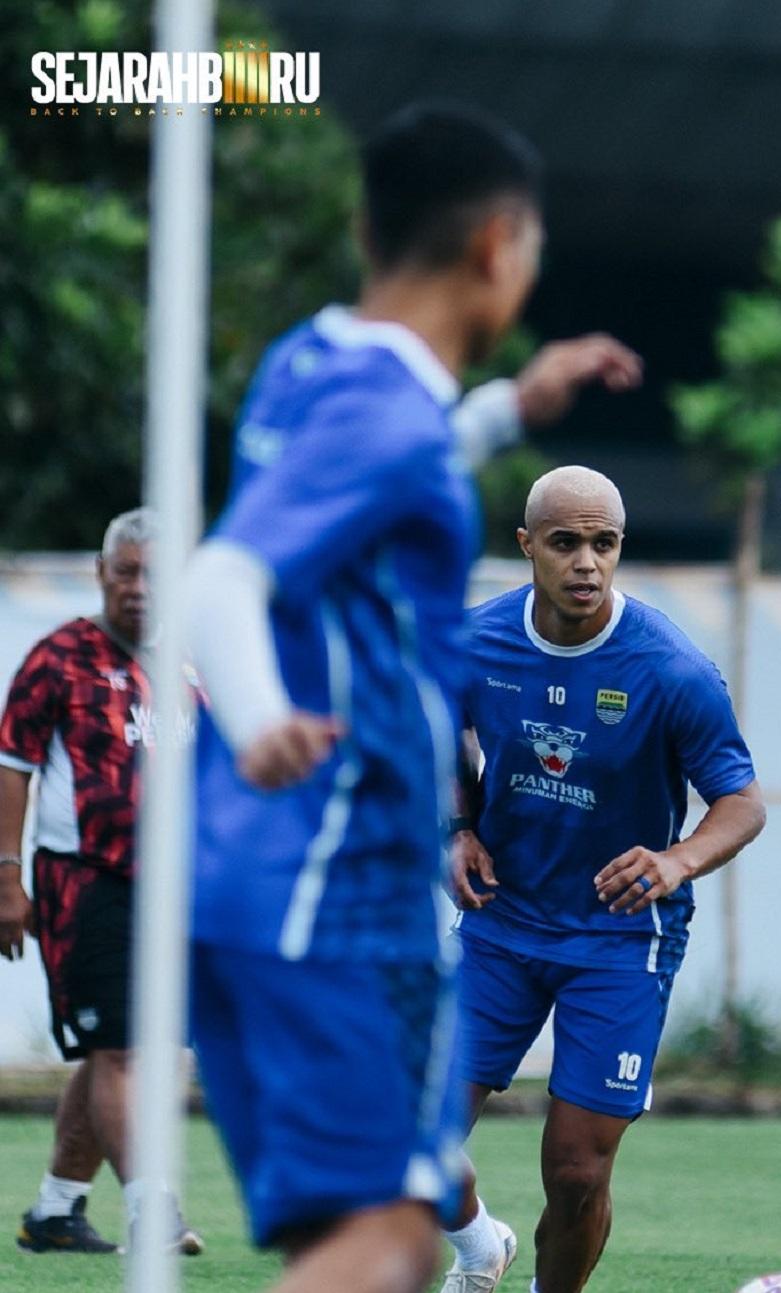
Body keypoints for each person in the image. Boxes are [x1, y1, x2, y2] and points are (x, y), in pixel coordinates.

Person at [185, 102, 640, 1293]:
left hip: (247, 870)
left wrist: (507, 411)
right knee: (385, 1243)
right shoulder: (384, 412)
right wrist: (254, 719)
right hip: (330, 873)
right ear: (500, 247)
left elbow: (379, 467)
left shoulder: (310, 361)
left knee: (367, 1232)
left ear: (362, 225)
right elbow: (223, 575)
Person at [443, 464, 766, 1293]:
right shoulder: (474, 641)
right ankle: (481, 1247)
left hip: (620, 938)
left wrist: (676, 859)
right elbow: (434, 731)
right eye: (565, 542)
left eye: (604, 543)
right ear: (527, 547)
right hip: (502, 922)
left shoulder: (671, 668)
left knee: (578, 1172)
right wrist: (456, 826)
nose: (586, 562)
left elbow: (741, 802)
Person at [0, 507, 201, 1256]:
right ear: (102, 574)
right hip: (85, 881)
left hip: (172, 886)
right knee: (122, 1050)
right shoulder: (58, 657)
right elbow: (11, 769)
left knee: (123, 1047)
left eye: (157, 574)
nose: (141, 589)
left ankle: (55, 1209)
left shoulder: (186, 661)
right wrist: (5, 877)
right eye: (127, 573)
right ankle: (153, 1208)